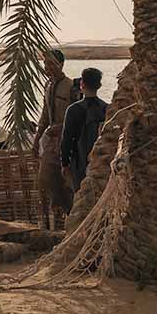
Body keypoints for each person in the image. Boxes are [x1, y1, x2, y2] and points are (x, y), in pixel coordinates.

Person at [36, 49, 75, 215]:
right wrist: (37, 138)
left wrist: (61, 127)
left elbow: (77, 115)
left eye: (52, 64)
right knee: (45, 178)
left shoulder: (71, 86)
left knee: (67, 180)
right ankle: (60, 209)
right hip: (51, 142)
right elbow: (45, 115)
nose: (48, 67)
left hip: (67, 139)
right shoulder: (48, 85)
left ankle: (70, 213)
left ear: (61, 64)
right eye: (45, 64)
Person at [61, 67, 109, 190]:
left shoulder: (73, 110)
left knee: (81, 196)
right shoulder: (106, 108)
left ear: (82, 84)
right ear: (99, 85)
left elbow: (67, 139)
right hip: (102, 161)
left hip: (79, 161)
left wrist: (64, 163)